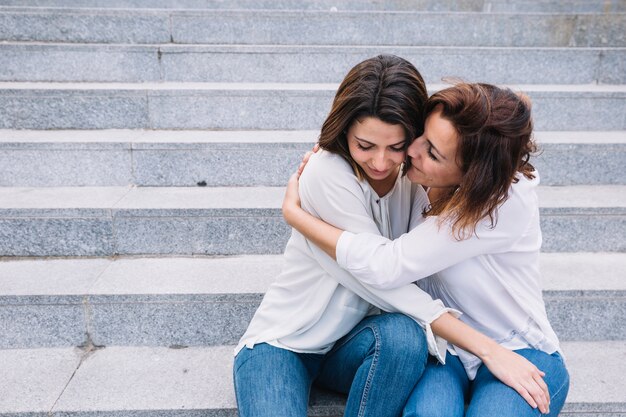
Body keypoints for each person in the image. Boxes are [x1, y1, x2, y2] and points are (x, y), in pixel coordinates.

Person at [235, 56, 550, 417]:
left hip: (359, 345)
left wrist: (294, 216)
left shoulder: (416, 176)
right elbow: (379, 279)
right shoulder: (326, 173)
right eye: (364, 146)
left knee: (404, 337)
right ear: (343, 130)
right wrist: (486, 348)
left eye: (396, 146)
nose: (381, 162)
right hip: (286, 341)